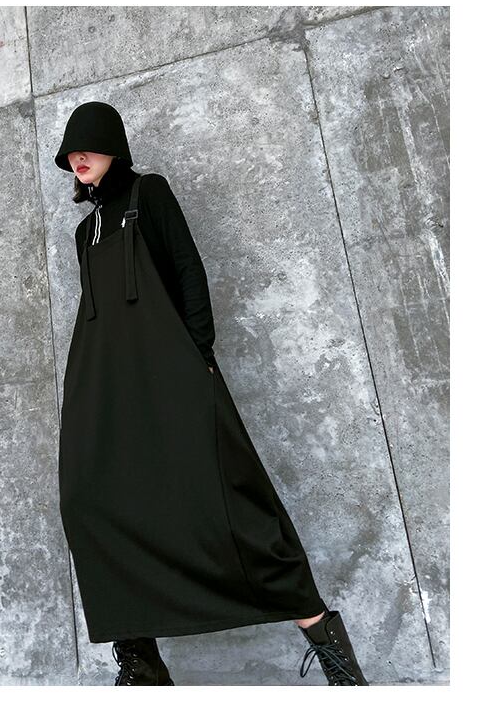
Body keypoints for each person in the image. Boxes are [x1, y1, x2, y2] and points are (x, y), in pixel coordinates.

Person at [55, 101, 368, 686]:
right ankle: (142, 662)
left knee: (226, 501)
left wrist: (198, 357)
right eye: (70, 151)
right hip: (104, 385)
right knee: (90, 501)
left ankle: (325, 640)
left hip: (170, 375)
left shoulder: (149, 194)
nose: (77, 158)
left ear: (113, 146)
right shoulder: (84, 231)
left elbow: (188, 272)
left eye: (87, 146)